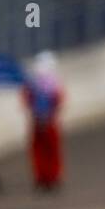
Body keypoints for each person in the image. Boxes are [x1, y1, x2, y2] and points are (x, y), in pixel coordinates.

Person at [22, 51, 64, 192]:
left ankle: (45, 177)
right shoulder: (52, 84)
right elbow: (58, 101)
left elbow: (26, 101)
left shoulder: (33, 83)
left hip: (40, 121)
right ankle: (50, 176)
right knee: (48, 150)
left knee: (41, 150)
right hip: (47, 122)